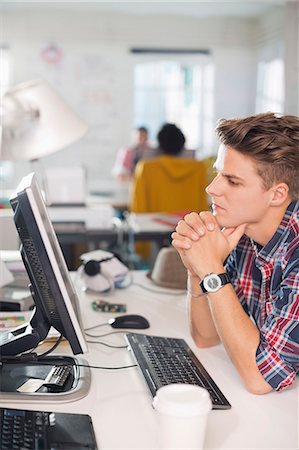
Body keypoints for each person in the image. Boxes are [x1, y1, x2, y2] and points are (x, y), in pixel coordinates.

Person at [171, 112, 299, 394]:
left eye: (232, 180)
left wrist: (212, 272)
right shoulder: (242, 232)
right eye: (218, 173)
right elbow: (206, 337)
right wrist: (197, 269)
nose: (211, 188)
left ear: (277, 194)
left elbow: (262, 378)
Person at [130, 123, 208, 213]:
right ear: (182, 145)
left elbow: (138, 207)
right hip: (190, 224)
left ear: (160, 145)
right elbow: (202, 204)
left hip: (153, 225)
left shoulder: (145, 168)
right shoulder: (199, 168)